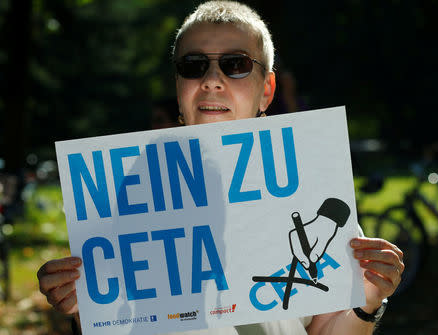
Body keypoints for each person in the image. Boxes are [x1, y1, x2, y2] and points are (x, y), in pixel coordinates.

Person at [37, 2, 404, 334]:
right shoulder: (126, 189)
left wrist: (366, 302)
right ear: (179, 84)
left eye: (236, 65)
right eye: (194, 66)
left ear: (267, 89)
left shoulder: (312, 184)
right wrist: (84, 312)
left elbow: (327, 329)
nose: (212, 80)